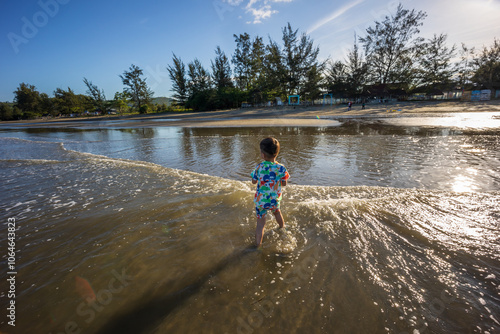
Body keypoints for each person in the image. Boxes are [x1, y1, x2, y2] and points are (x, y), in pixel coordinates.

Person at [251, 137, 290, 247]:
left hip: (261, 201)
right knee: (277, 213)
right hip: (274, 199)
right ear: (276, 153)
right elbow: (284, 183)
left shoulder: (259, 167)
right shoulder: (281, 168)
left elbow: (254, 182)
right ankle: (282, 228)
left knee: (260, 224)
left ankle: (258, 245)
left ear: (262, 155)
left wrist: (258, 178)